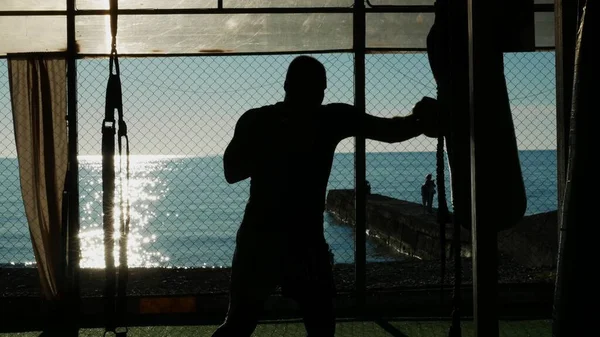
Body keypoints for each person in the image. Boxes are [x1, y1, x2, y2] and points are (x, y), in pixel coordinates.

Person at [212, 55, 440, 337]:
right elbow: (388, 131)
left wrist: (420, 120)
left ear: (285, 84)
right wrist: (421, 120)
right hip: (302, 238)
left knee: (240, 323)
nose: (318, 94)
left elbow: (231, 171)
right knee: (318, 325)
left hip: (262, 235)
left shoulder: (258, 119)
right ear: (318, 89)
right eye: (318, 87)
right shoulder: (329, 119)